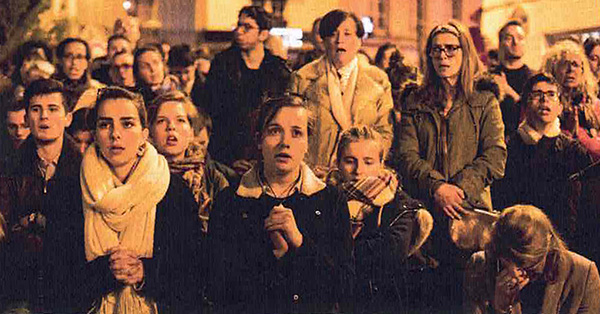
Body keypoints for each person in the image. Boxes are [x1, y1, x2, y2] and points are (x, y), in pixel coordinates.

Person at [397, 20, 506, 312]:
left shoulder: (484, 100)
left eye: (450, 49)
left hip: (470, 216)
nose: (443, 56)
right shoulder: (415, 101)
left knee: (468, 299)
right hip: (425, 214)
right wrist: (437, 188)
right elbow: (405, 155)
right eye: (436, 50)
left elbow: (494, 155)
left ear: (465, 52)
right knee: (426, 299)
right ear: (428, 56)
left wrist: (457, 190)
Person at [208, 95, 353, 313]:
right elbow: (217, 288)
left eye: (297, 133)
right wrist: (271, 255)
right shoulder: (230, 201)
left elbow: (345, 286)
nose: (285, 142)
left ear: (307, 144)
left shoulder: (331, 200)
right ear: (259, 140)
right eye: (275, 131)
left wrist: (300, 243)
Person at [80, 87, 200, 313]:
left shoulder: (173, 191)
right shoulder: (72, 191)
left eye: (127, 124)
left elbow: (193, 276)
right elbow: (57, 279)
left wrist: (144, 273)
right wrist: (108, 272)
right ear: (95, 134)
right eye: (105, 124)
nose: (116, 134)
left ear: (145, 134)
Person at [326, 125, 433, 313]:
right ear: (338, 162)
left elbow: (386, 256)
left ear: (381, 163)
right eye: (350, 161)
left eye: (368, 162)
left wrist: (332, 251)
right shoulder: (324, 199)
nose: (358, 170)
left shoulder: (400, 205)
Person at [0, 78, 85, 313]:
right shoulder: (9, 168)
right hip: (20, 289)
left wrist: (35, 222)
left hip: (72, 290)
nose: (44, 117)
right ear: (27, 119)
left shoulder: (87, 169)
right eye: (36, 110)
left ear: (68, 118)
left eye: (53, 109)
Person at [290, 9, 394, 175]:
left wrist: (370, 164)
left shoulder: (378, 80)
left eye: (347, 34)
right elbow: (293, 131)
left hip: (361, 174)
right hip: (315, 174)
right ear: (323, 41)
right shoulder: (303, 78)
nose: (340, 41)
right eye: (333, 34)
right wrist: (305, 168)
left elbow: (385, 132)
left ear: (360, 40)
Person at [492, 73, 592, 242]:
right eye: (537, 94)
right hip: (519, 241)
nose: (544, 100)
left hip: (564, 242)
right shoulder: (508, 149)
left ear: (560, 106)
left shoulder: (575, 152)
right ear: (525, 104)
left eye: (551, 95)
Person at [202, 5, 291, 174]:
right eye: (239, 25)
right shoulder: (222, 64)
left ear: (263, 34)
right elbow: (212, 112)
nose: (239, 31)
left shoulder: (278, 69)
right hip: (227, 154)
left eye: (247, 27)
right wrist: (230, 158)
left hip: (267, 155)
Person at [464, 205, 600, 314]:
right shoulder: (479, 266)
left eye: (526, 265)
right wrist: (500, 309)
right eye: (507, 260)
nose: (515, 272)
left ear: (548, 245)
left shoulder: (583, 274)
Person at [148, 91, 229, 234]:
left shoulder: (213, 178)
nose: (171, 127)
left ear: (191, 131)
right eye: (161, 121)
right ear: (150, 132)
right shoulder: (143, 173)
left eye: (180, 120)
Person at [542, 39, 600, 159]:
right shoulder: (544, 105)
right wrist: (570, 133)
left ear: (582, 71)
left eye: (575, 65)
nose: (571, 70)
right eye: (564, 64)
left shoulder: (594, 105)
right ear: (553, 69)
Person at [490, 20, 533, 138]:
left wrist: (508, 91)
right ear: (500, 43)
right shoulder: (490, 77)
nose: (515, 43)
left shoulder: (533, 79)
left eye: (520, 38)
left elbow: (534, 114)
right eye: (509, 38)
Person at [53, 38, 104, 112]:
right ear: (60, 61)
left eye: (79, 57)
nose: (74, 62)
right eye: (68, 56)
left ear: (87, 62)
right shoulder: (48, 89)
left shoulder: (98, 91)